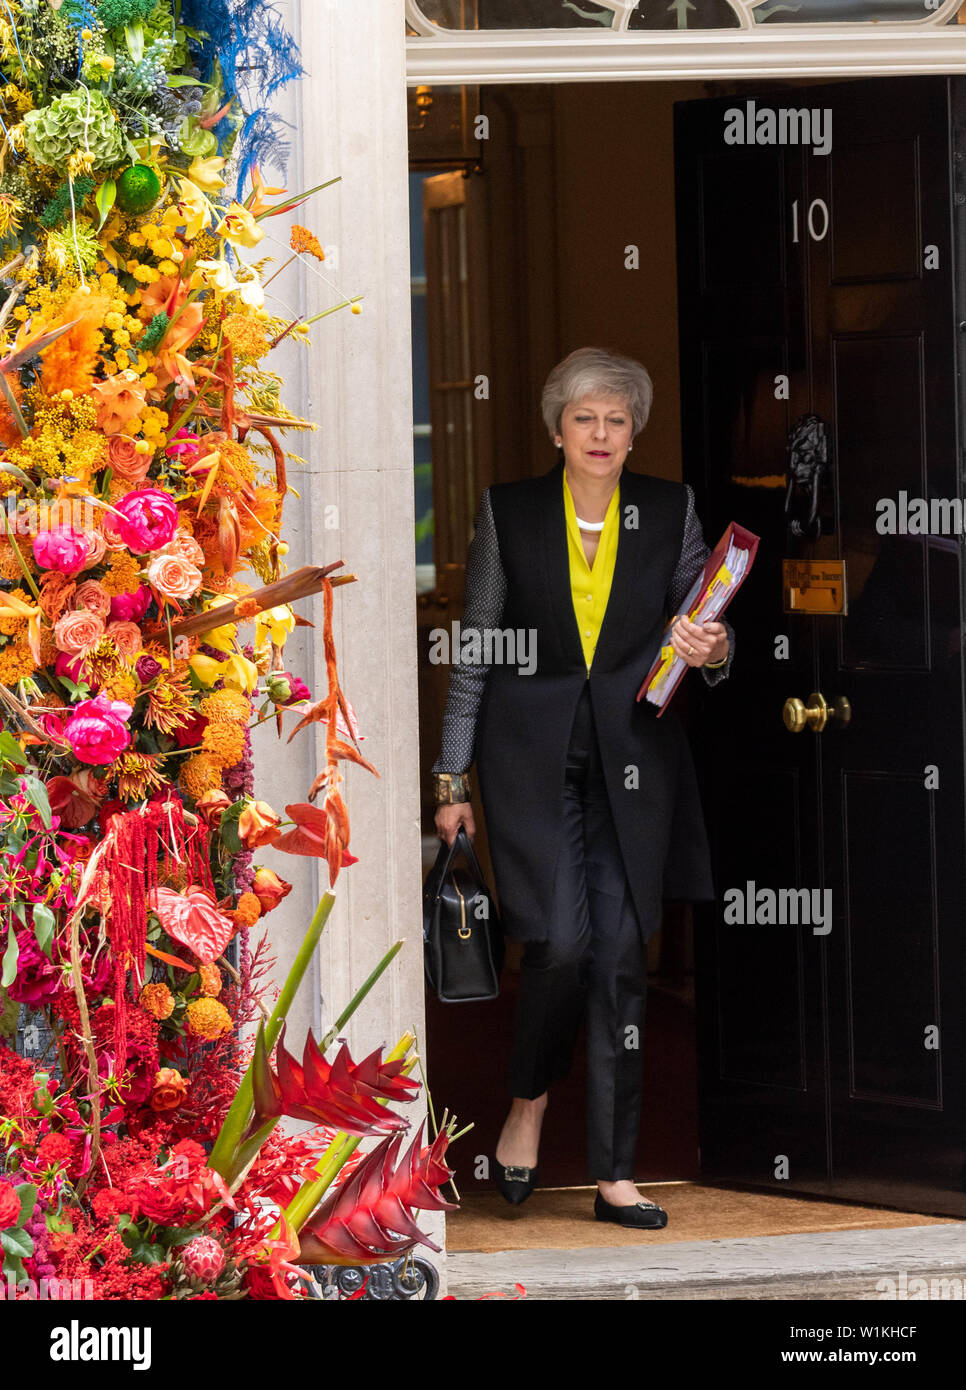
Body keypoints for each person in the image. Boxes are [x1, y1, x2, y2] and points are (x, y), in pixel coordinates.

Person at [432, 346, 733, 1229]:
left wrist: (713, 653)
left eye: (617, 420)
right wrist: (452, 778)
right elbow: (477, 648)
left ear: (633, 433)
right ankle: (528, 1101)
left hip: (636, 763)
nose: (601, 434)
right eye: (584, 419)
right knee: (559, 942)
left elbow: (700, 622)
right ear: (556, 430)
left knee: (620, 959)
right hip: (530, 764)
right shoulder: (512, 512)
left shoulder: (670, 508)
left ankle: (616, 1174)